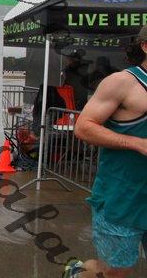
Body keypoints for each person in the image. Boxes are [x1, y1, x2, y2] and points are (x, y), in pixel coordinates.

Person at [66, 26, 147, 278]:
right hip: (123, 197)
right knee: (115, 272)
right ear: (145, 46)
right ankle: (79, 272)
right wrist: (137, 143)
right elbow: (84, 127)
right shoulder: (122, 82)